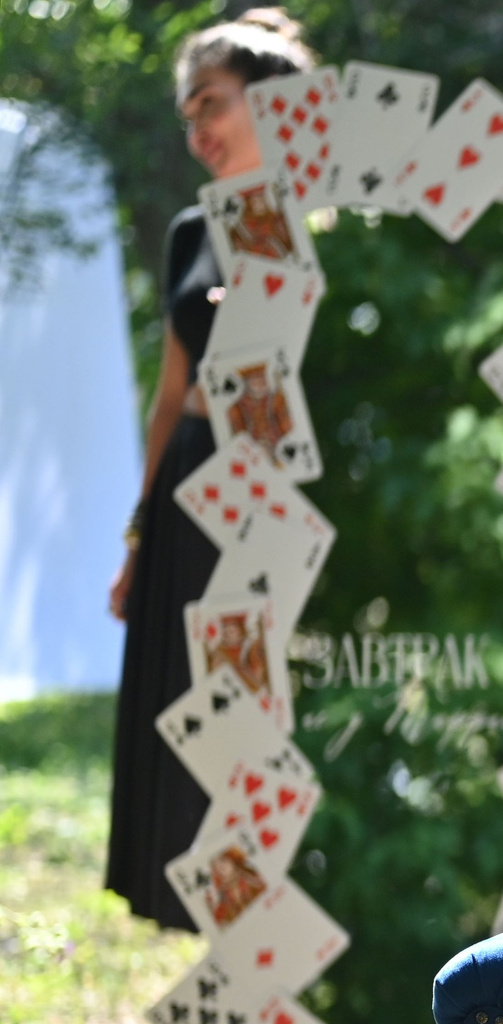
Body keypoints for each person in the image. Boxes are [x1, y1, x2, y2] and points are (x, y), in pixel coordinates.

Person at [103, 8, 313, 928]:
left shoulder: (326, 224)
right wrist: (139, 536)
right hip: (192, 486)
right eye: (188, 112)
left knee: (260, 729)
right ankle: (221, 936)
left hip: (278, 500)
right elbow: (166, 397)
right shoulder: (194, 229)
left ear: (273, 100)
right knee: (191, 721)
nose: (198, 130)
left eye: (213, 104)